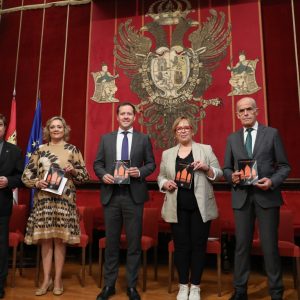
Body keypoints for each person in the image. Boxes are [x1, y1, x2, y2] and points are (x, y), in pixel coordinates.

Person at [223, 97, 291, 300]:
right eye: (241, 110)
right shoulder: (232, 139)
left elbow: (285, 166)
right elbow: (227, 168)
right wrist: (231, 176)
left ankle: (276, 291)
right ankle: (240, 290)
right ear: (237, 114)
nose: (245, 113)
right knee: (242, 245)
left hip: (267, 196)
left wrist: (272, 181)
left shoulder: (271, 134)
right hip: (242, 198)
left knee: (269, 246)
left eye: (248, 109)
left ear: (256, 111)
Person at [94, 102, 155, 300]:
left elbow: (152, 164)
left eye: (130, 114)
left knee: (134, 243)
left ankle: (131, 286)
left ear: (134, 117)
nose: (126, 116)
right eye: (123, 114)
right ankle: (109, 285)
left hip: (133, 196)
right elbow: (98, 164)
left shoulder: (143, 138)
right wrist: (103, 175)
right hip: (111, 195)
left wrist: (140, 171)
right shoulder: (106, 139)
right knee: (111, 243)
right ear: (118, 117)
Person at [22, 116, 89, 296]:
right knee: (45, 241)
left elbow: (84, 177)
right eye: (53, 127)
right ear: (48, 130)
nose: (56, 129)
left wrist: (73, 170)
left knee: (59, 240)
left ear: (65, 129)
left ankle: (58, 279)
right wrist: (37, 183)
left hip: (64, 202)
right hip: (44, 201)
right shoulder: (40, 150)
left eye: (59, 126)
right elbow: (26, 176)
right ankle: (46, 280)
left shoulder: (72, 150)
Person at [157, 116, 223, 300]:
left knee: (198, 247)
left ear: (192, 130)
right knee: (181, 247)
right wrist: (165, 183)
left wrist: (207, 168)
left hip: (200, 208)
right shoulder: (167, 153)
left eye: (186, 127)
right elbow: (160, 176)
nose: (183, 130)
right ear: (175, 133)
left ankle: (195, 286)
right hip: (176, 207)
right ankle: (182, 285)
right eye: (179, 128)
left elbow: (219, 174)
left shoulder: (205, 149)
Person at [0, 114, 24, 299]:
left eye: (0, 125)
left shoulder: (14, 151)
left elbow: (22, 177)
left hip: (2, 204)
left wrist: (8, 180)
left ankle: (0, 282)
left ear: (4, 128)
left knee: (1, 246)